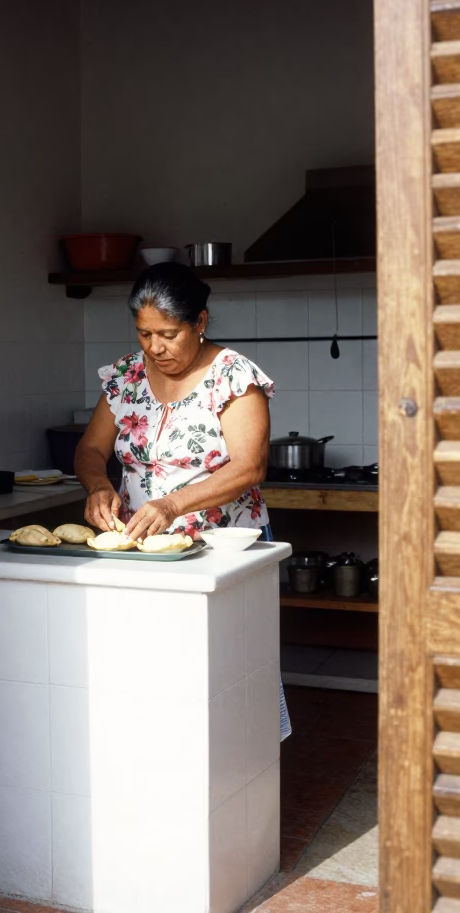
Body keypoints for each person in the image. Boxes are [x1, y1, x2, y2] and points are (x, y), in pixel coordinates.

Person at [75, 261, 291, 740]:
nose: (155, 347)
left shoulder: (232, 375)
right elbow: (91, 449)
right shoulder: (128, 376)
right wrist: (98, 486)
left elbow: (249, 466)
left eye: (168, 334)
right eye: (144, 334)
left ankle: (246, 765)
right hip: (141, 547)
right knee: (150, 671)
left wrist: (172, 505)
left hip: (222, 548)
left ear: (201, 322)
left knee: (230, 667)